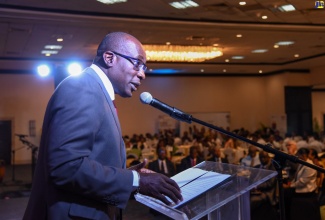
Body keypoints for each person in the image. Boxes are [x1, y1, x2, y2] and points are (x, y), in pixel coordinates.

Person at [23, 32, 182, 220]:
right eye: (137, 63)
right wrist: (136, 181)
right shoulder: (82, 88)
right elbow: (66, 167)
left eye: (145, 67)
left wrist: (128, 175)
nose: (142, 74)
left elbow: (88, 160)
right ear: (109, 58)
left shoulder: (97, 92)